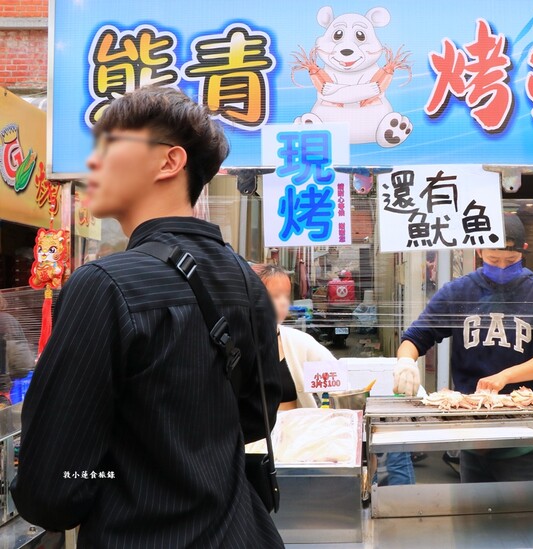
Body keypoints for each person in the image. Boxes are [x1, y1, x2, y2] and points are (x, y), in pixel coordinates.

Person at [10, 87, 285, 547]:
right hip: (241, 532)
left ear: (169, 161)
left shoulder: (104, 284)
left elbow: (52, 487)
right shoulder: (246, 279)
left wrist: (112, 474)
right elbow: (257, 418)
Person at [394, 214, 533, 483]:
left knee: (525, 506)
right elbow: (417, 336)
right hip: (472, 427)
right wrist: (405, 362)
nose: (501, 267)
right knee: (473, 505)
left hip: (524, 428)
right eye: (493, 259)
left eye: (510, 261)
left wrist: (505, 377)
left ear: (523, 251)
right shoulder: (459, 291)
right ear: (479, 251)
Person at [253, 263, 328, 409]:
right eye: (275, 296)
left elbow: (337, 384)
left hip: (295, 424)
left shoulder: (301, 342)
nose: (283, 302)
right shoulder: (234, 343)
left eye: (286, 296)